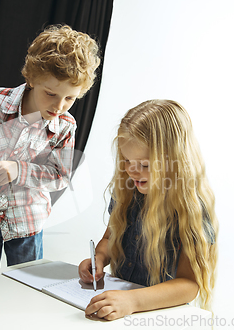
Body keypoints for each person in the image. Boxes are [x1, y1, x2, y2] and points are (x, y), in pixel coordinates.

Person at [0, 25, 100, 276]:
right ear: (32, 79)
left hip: (27, 221)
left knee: (26, 288)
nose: (59, 106)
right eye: (51, 94)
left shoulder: (65, 126)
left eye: (70, 99)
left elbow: (60, 175)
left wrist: (18, 170)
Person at [78, 100, 218, 320]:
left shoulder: (191, 207)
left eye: (144, 165)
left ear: (174, 161)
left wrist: (132, 301)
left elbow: (189, 284)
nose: (132, 171)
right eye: (127, 160)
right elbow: (110, 238)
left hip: (161, 315)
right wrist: (100, 257)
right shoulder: (127, 192)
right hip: (121, 310)